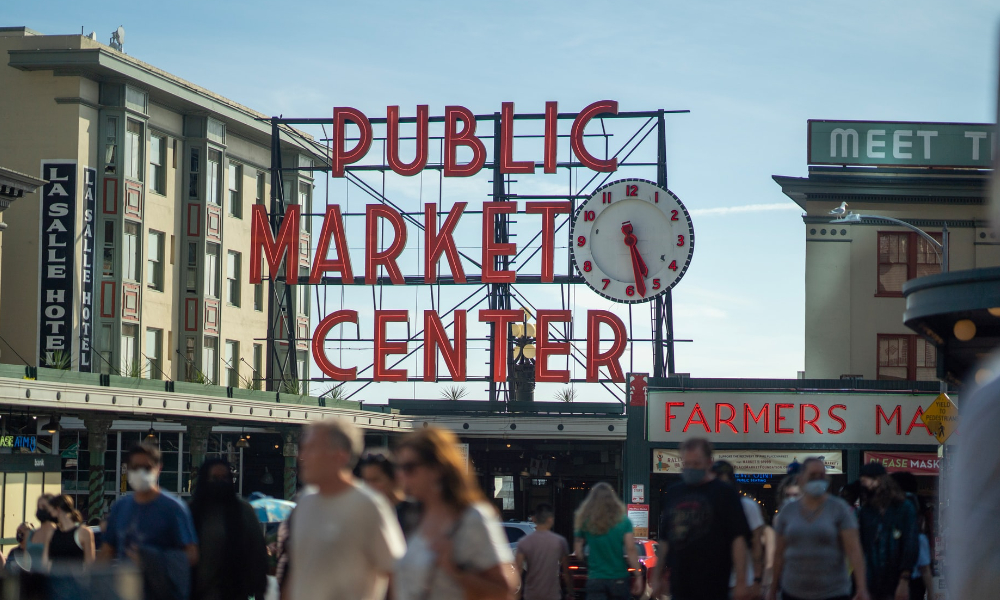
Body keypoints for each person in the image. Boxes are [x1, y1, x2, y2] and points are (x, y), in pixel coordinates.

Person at [393, 426, 518, 600]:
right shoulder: (409, 516)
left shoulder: (471, 518)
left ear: (437, 469)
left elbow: (504, 590)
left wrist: (456, 572)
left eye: (409, 467)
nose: (401, 475)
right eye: (398, 467)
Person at [287, 418, 405, 600]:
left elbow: (396, 574)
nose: (301, 456)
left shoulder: (369, 505)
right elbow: (298, 574)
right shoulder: (304, 502)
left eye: (311, 449)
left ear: (339, 456)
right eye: (303, 448)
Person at [650, 438, 751, 600]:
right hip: (680, 583)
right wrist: (657, 576)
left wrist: (741, 582)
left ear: (709, 463)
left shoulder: (724, 493)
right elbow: (665, 539)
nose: (691, 469)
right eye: (687, 464)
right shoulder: (674, 492)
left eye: (696, 464)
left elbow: (738, 539)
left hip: (714, 584)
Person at [100, 443, 199, 600]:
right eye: (135, 467)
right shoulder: (120, 507)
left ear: (158, 469)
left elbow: (191, 555)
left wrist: (153, 560)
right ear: (127, 469)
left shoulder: (174, 509)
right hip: (126, 591)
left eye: (146, 468)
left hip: (162, 593)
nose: (140, 472)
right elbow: (107, 551)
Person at [767, 457, 869, 600]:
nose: (817, 479)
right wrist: (772, 589)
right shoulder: (788, 511)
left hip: (833, 592)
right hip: (793, 592)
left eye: (821, 475)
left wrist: (861, 588)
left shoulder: (839, 509)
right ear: (801, 479)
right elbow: (779, 553)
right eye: (812, 476)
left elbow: (854, 550)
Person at [189, 458, 268, 600]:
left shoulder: (243, 511)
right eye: (215, 478)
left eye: (224, 478)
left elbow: (257, 552)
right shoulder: (191, 512)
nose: (220, 482)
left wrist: (259, 590)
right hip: (196, 592)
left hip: (234, 591)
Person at [857, 463, 917, 600]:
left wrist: (904, 579)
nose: (864, 486)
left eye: (865, 482)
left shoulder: (904, 508)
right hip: (872, 581)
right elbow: (862, 546)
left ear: (877, 480)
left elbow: (910, 544)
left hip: (896, 579)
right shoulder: (867, 511)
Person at [572, 483, 642, 600]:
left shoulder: (585, 522)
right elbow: (630, 549)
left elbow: (578, 552)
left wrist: (590, 563)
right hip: (618, 578)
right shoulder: (624, 521)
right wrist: (638, 575)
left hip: (596, 578)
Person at [712, 460, 765, 599]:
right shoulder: (706, 506)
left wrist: (757, 579)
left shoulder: (747, 506)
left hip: (742, 584)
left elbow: (756, 545)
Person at [358, 450, 421, 537]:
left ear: (394, 479)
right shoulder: (363, 514)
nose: (369, 486)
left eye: (375, 480)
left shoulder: (415, 512)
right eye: (366, 481)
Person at [516, 503, 572, 600]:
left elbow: (518, 570)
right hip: (552, 594)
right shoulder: (560, 542)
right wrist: (571, 593)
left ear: (534, 519)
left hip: (531, 594)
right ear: (550, 520)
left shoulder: (523, 542)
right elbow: (566, 571)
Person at [44, 495, 95, 565]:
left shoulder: (83, 532)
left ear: (58, 509)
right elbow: (46, 562)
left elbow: (90, 564)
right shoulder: (51, 533)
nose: (50, 515)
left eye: (51, 511)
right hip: (54, 575)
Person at [24, 494, 56, 571]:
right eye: (38, 507)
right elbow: (25, 561)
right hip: (31, 578)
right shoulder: (31, 534)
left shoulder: (57, 533)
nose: (40, 509)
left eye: (44, 507)